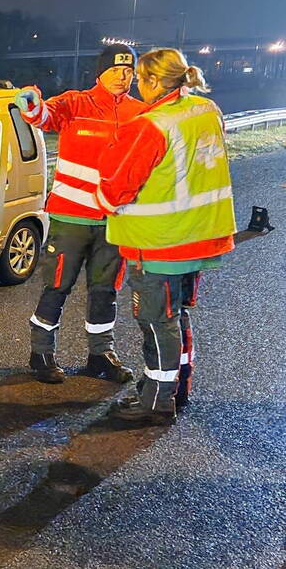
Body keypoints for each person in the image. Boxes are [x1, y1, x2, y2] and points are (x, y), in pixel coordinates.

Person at [96, 48, 235, 424]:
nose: (138, 86)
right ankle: (178, 386)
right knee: (177, 316)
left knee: (157, 322)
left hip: (160, 244)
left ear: (154, 81)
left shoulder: (151, 125)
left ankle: (155, 400)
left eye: (140, 79)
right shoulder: (207, 110)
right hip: (201, 237)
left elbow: (113, 192)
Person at [14, 44, 146, 384]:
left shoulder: (141, 113)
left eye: (128, 70)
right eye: (116, 69)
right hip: (71, 219)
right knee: (57, 286)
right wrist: (30, 102)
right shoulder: (75, 103)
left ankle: (101, 355)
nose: (122, 75)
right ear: (100, 72)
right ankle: (41, 353)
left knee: (106, 291)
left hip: (115, 221)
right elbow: (41, 116)